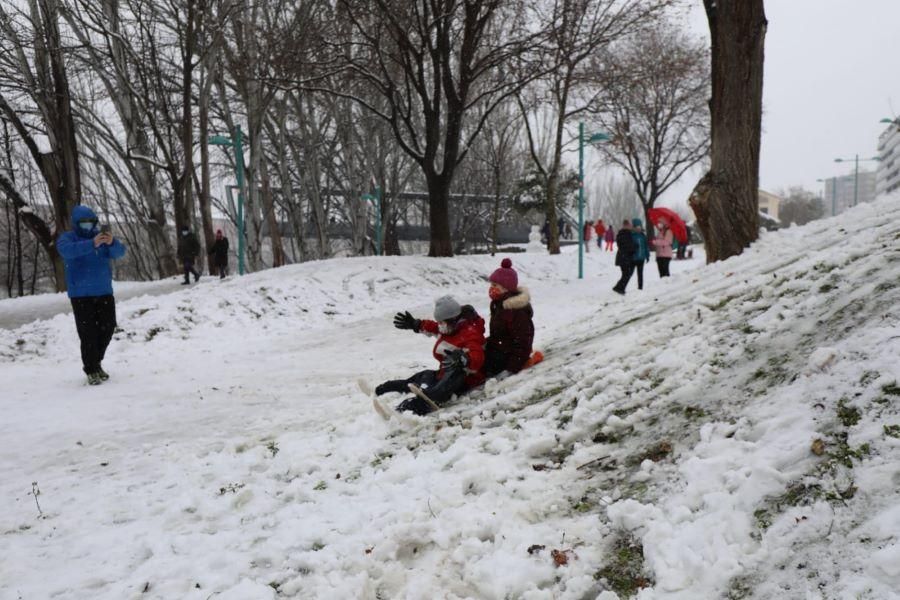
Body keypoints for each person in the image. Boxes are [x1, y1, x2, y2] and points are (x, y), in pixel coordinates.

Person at [375, 296, 486, 415]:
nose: (439, 325)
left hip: (463, 380)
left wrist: (465, 358)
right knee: (425, 376)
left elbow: (477, 357)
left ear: (452, 320)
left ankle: (413, 406)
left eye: (441, 323)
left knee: (450, 377)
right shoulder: (449, 329)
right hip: (442, 375)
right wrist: (416, 324)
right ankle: (386, 387)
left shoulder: (470, 334)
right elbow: (432, 327)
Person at [56, 205, 127, 385]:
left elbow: (120, 253)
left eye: (90, 222)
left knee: (108, 327)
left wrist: (112, 242)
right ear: (76, 223)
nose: (87, 225)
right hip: (81, 294)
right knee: (88, 333)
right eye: (83, 222)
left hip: (104, 291)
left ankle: (96, 361)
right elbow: (66, 251)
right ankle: (91, 368)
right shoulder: (67, 238)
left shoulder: (102, 238)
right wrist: (91, 244)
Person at [484, 258, 534, 377]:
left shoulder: (515, 310)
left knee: (477, 365)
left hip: (507, 357)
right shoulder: (498, 304)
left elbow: (523, 342)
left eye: (495, 285)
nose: (491, 288)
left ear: (506, 288)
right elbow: (500, 335)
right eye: (491, 285)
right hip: (499, 350)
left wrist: (511, 368)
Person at [613, 220, 636, 295]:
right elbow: (627, 246)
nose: (631, 227)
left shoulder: (624, 233)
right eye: (630, 225)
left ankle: (619, 287)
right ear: (626, 225)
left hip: (624, 257)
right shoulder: (625, 234)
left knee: (627, 273)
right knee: (627, 273)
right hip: (625, 257)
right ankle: (619, 288)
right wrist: (635, 247)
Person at [630, 218, 650, 290]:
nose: (638, 229)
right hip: (633, 258)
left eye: (640, 227)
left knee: (640, 273)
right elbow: (629, 246)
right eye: (637, 227)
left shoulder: (643, 236)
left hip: (641, 258)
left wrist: (647, 256)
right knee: (630, 273)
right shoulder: (631, 235)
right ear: (634, 227)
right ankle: (624, 285)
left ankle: (640, 287)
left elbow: (646, 246)